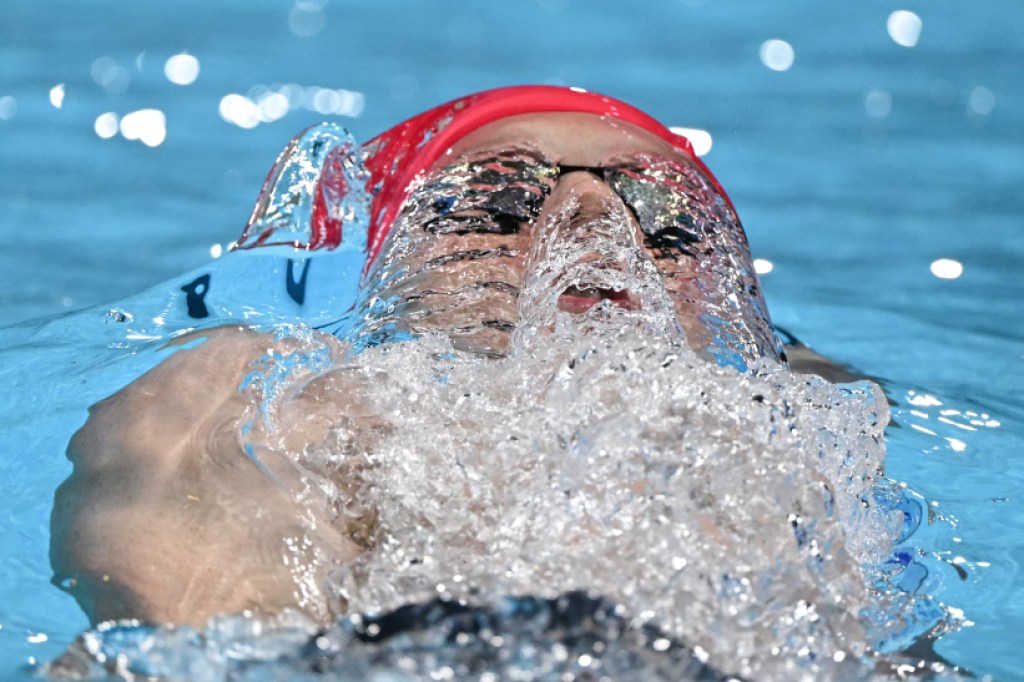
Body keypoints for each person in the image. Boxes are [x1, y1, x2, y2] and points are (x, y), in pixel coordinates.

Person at [49, 86, 857, 628]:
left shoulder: (805, 415)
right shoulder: (247, 383)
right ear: (373, 264)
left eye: (668, 222)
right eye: (499, 204)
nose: (590, 221)